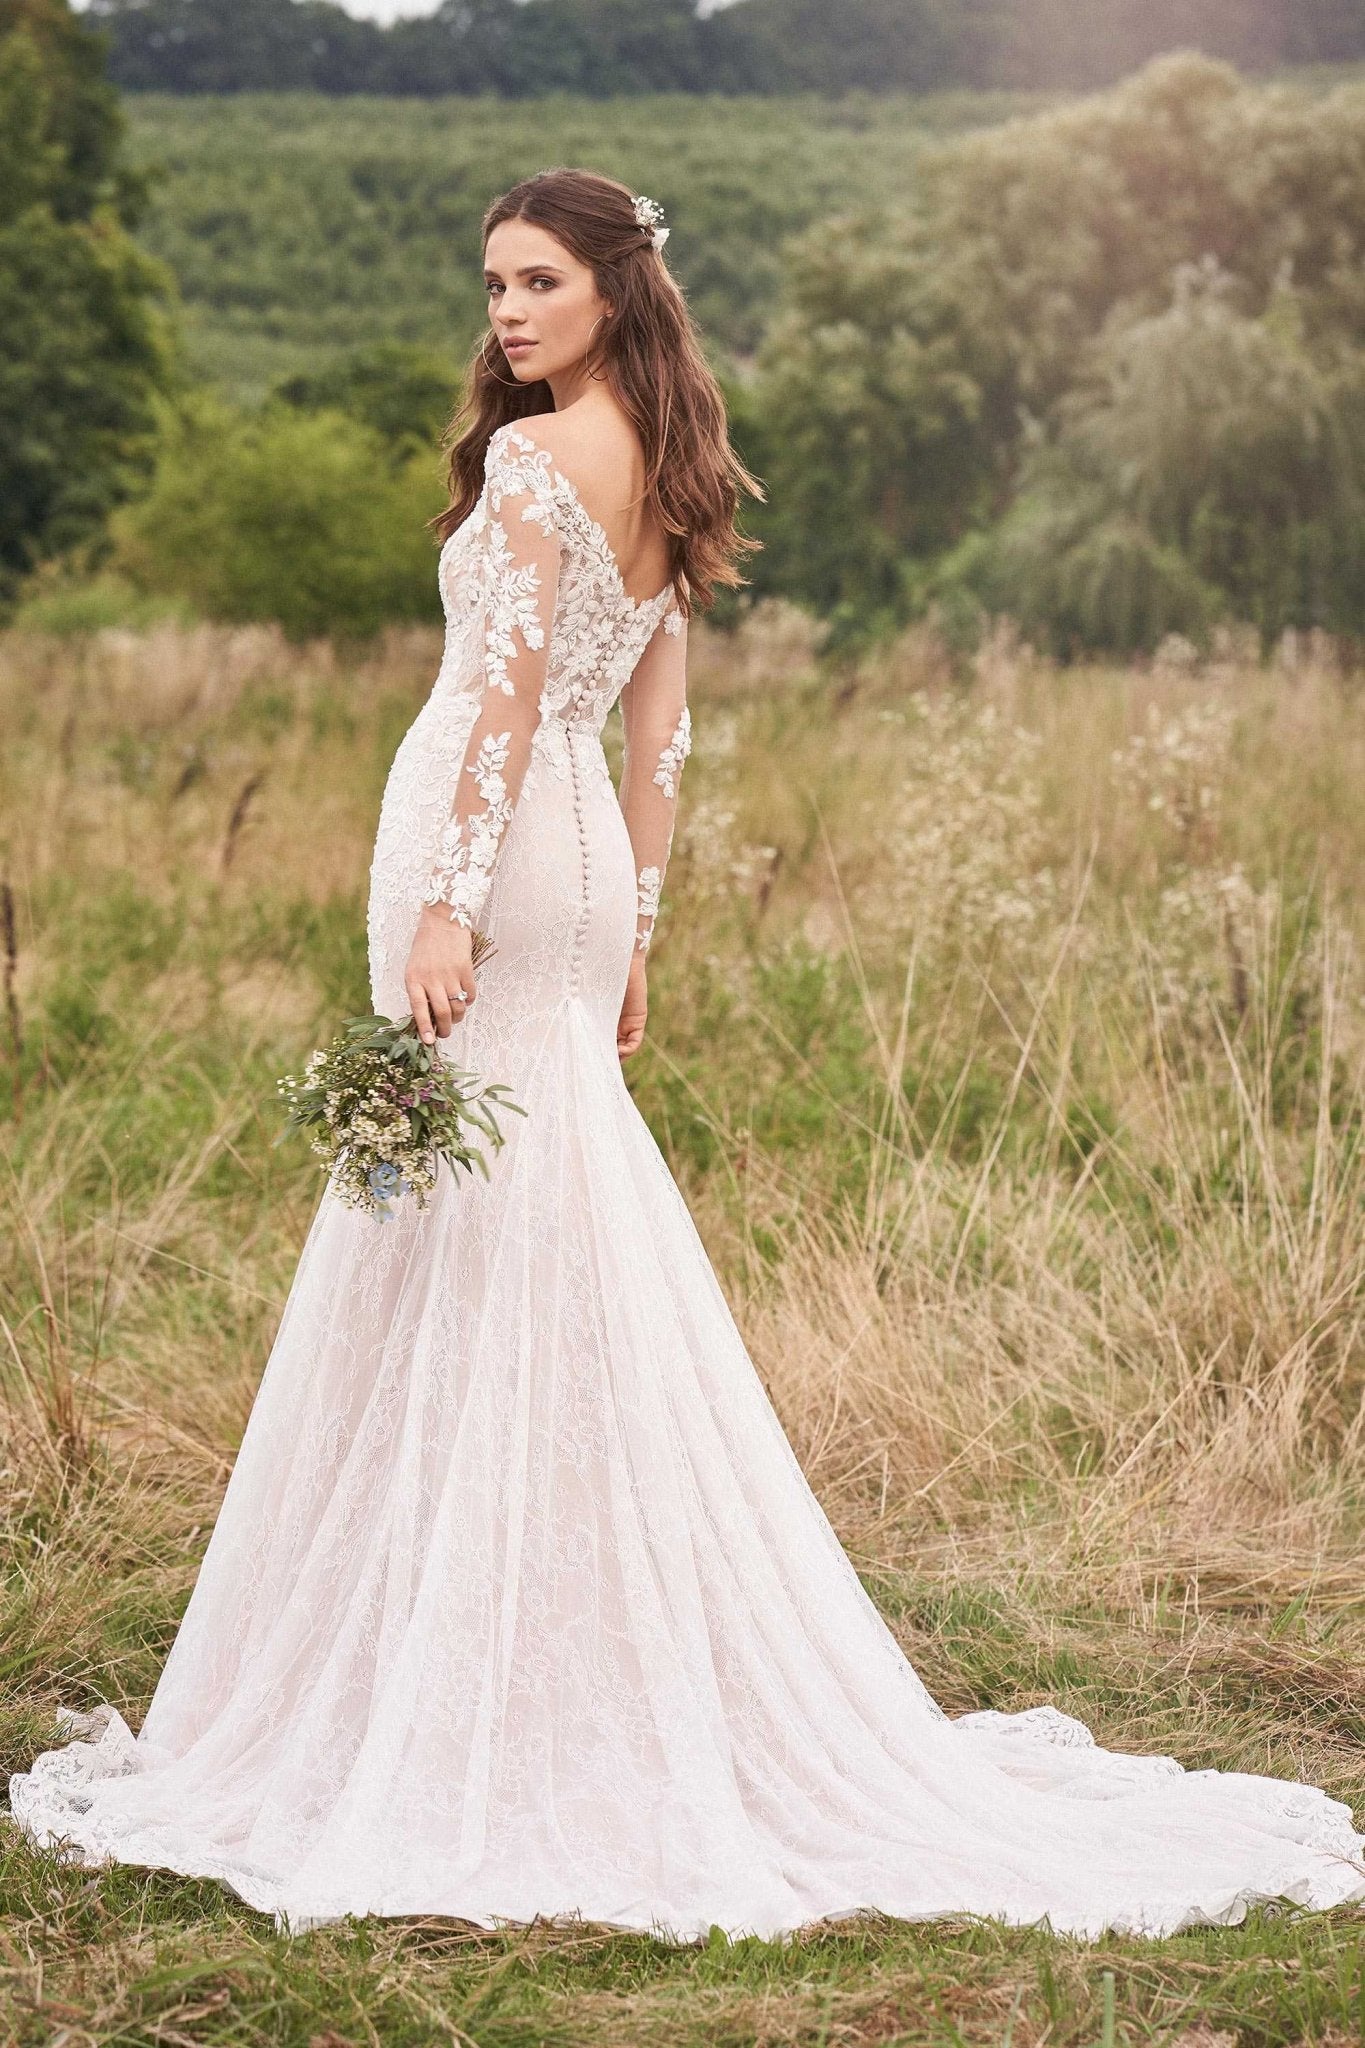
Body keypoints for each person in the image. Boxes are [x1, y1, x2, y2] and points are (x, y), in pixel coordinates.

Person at [10, 170, 1365, 1944]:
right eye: (491, 283)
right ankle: (518, 1615)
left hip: (489, 856)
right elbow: (661, 731)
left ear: (610, 288)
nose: (504, 311)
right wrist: (634, 926)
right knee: (537, 1203)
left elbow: (498, 705)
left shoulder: (529, 464)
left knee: (466, 1212)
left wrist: (442, 906)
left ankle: (475, 1662)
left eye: (539, 281)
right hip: (578, 869)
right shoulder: (667, 459)